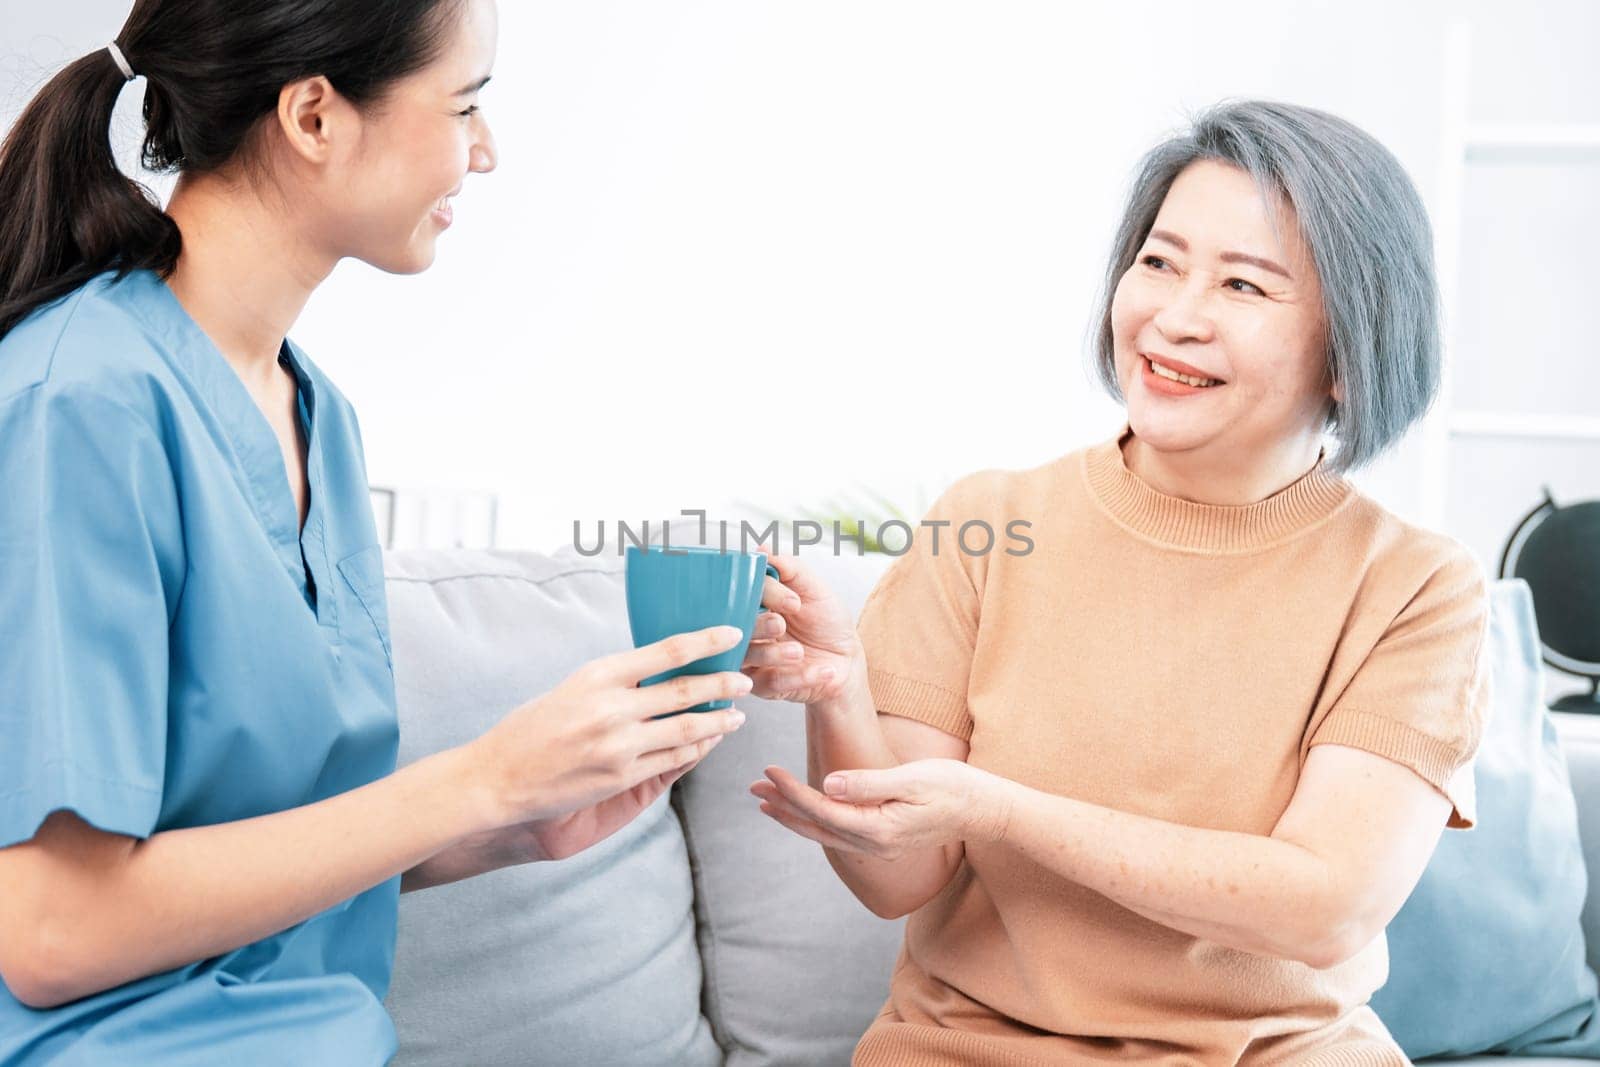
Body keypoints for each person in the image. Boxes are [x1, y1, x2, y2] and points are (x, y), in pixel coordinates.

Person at [0, 1, 760, 1061]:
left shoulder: (321, 420)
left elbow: (244, 838)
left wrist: (507, 824)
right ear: (314, 116)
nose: (484, 152)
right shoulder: (81, 402)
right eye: (463, 104)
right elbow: (51, 928)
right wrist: (478, 776)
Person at [740, 100, 1491, 1065]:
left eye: (1245, 287)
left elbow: (1324, 907)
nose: (1175, 317)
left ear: (1352, 350)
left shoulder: (1416, 587)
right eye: (1160, 262)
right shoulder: (990, 524)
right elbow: (899, 878)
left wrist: (997, 806)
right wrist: (840, 689)